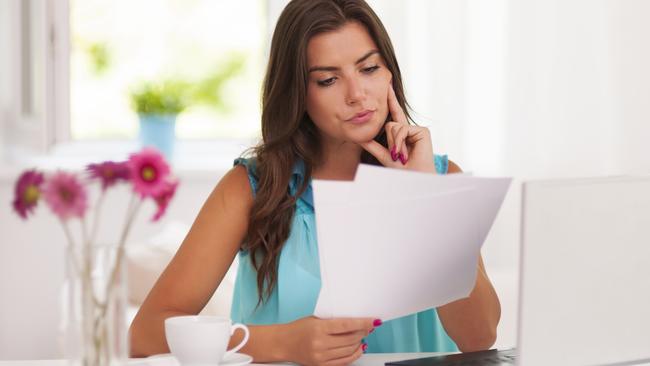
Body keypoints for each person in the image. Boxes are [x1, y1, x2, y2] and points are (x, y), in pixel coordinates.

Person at [128, 0, 501, 364]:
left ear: (390, 72)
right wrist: (283, 344)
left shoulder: (440, 177)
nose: (357, 95)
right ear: (297, 93)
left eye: (368, 69)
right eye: (328, 79)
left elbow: (479, 337)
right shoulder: (250, 188)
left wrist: (422, 197)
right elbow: (145, 334)